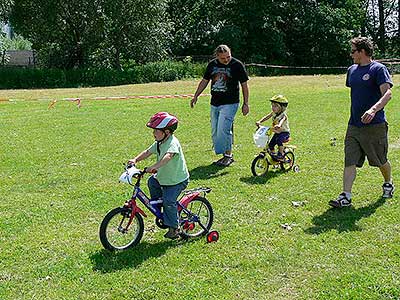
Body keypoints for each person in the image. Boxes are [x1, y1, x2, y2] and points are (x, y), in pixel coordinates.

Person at [329, 37, 394, 208]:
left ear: (362, 51)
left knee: (380, 160)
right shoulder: (351, 70)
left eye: (353, 51)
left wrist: (373, 110)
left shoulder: (378, 69)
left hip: (374, 126)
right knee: (349, 160)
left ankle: (388, 182)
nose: (351, 55)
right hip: (354, 125)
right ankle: (346, 196)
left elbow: (387, 94)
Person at [128, 112, 189, 239]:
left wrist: (154, 167)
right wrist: (135, 160)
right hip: (164, 177)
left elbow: (168, 157)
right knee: (152, 182)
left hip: (177, 180)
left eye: (156, 130)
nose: (153, 133)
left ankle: (175, 228)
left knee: (169, 201)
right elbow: (147, 152)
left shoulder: (172, 142)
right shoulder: (159, 142)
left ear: (166, 132)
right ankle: (161, 207)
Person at [190, 44, 249, 166]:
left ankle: (228, 156)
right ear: (217, 56)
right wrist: (196, 95)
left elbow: (244, 85)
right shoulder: (212, 65)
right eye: (223, 58)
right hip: (215, 103)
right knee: (216, 130)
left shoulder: (237, 65)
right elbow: (205, 81)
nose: (226, 60)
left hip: (231, 103)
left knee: (224, 129)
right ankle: (224, 155)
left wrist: (246, 103)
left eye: (228, 57)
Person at [256, 95, 290, 160]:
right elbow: (267, 117)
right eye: (272, 105)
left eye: (276, 106)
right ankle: (274, 157)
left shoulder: (283, 115)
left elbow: (282, 120)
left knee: (279, 140)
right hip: (277, 132)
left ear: (282, 107)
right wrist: (260, 121)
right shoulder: (273, 113)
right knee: (270, 145)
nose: (273, 108)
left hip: (284, 133)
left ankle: (281, 154)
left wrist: (279, 125)